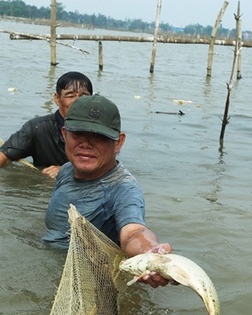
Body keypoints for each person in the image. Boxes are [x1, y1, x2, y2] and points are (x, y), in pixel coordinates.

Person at [44, 95, 173, 288]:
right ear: (64, 135)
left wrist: (151, 252)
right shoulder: (66, 170)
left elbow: (133, 232)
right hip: (53, 270)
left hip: (93, 283)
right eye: (78, 133)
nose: (86, 143)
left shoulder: (123, 188)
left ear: (119, 142)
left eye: (99, 136)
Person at [0, 71, 93, 177]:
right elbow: (0, 159)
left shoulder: (101, 130)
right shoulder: (37, 128)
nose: (78, 102)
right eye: (70, 96)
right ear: (57, 99)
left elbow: (107, 166)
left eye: (84, 96)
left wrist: (66, 170)